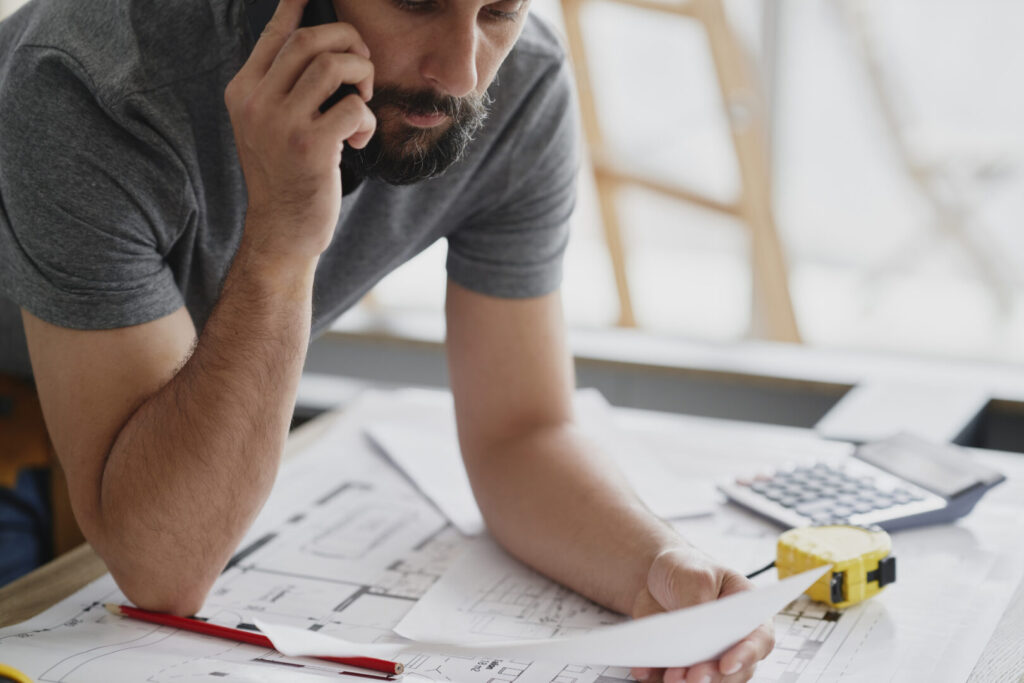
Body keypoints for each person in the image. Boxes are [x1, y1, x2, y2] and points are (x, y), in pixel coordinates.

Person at [0, 0, 774, 680]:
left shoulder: (521, 83)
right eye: (416, 0)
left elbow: (521, 431)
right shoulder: (92, 81)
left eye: (499, 10)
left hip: (145, 434)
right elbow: (164, 566)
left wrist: (656, 567)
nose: (463, 72)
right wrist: (280, 244)